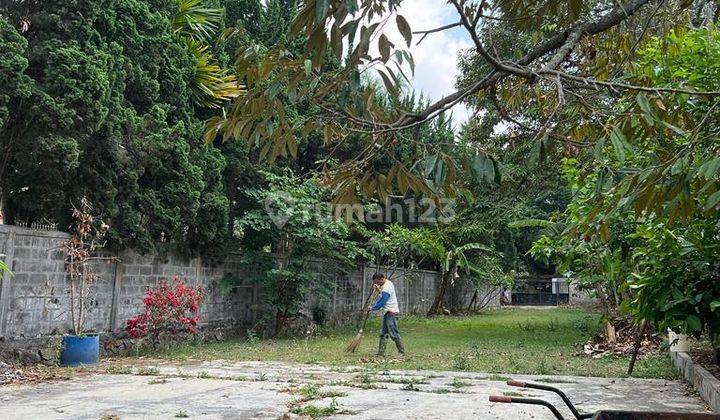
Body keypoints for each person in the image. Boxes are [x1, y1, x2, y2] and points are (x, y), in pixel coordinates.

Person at [367, 273, 405, 357]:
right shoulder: (387, 283)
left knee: (393, 333)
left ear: (381, 279)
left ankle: (401, 352)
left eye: (377, 282)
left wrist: (372, 307)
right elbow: (382, 293)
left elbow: (382, 302)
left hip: (392, 313)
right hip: (387, 313)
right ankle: (381, 353)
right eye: (375, 282)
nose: (376, 284)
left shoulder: (387, 288)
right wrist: (378, 289)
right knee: (383, 333)